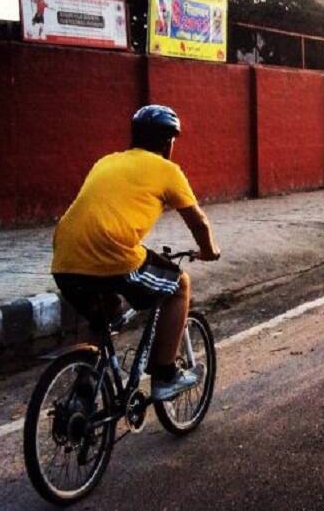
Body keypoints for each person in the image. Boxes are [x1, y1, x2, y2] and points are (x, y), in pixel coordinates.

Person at [51, 105, 221, 401]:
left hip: (64, 259)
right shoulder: (168, 170)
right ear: (168, 142)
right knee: (179, 285)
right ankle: (165, 374)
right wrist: (209, 251)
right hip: (113, 254)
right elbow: (198, 221)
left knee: (105, 312)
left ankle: (83, 392)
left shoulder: (105, 162)